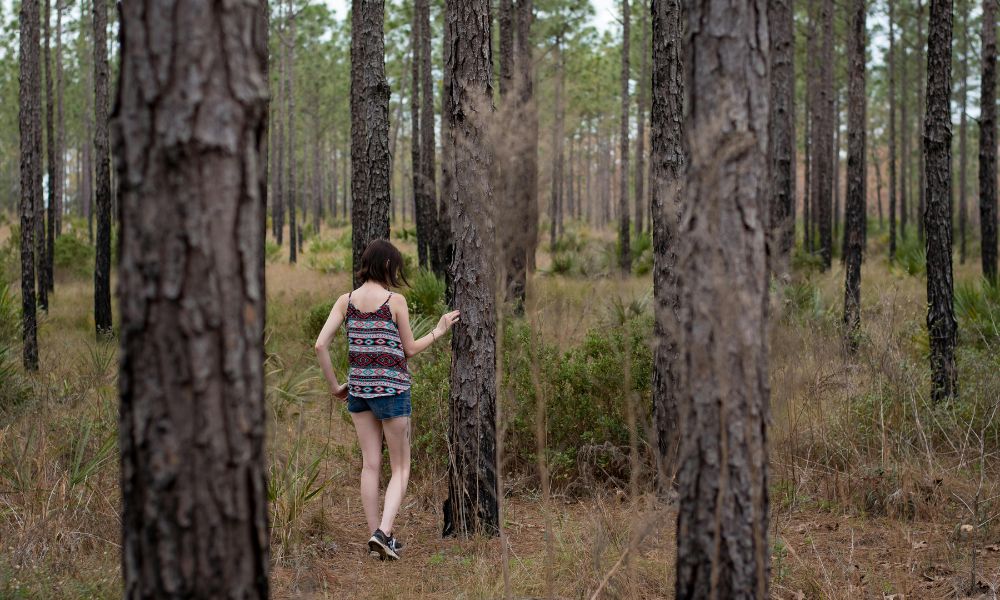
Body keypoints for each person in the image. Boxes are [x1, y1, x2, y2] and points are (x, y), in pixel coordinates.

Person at [314, 239, 459, 561]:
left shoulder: (345, 301)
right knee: (401, 467)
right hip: (392, 391)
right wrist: (438, 330)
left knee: (370, 465)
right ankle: (382, 533)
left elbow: (320, 345)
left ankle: (378, 537)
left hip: (359, 392)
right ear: (389, 266)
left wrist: (335, 386)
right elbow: (409, 349)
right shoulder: (395, 301)